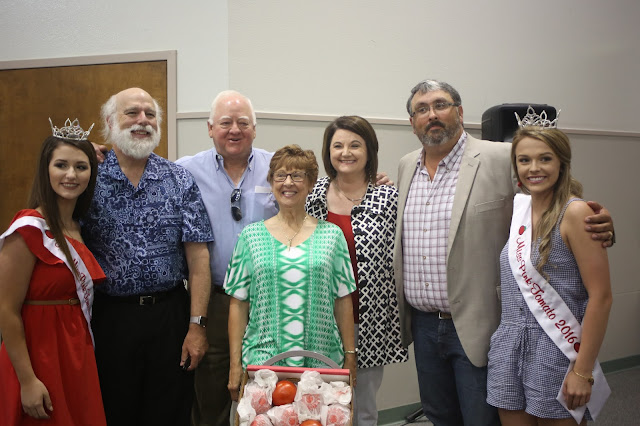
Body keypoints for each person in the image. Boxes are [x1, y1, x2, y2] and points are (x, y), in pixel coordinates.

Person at [392, 79, 615, 426]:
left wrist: (599, 222)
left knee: (481, 419)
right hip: (423, 325)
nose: (432, 114)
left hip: (481, 321)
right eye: (422, 109)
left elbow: (551, 197)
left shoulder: (500, 156)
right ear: (412, 122)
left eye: (440, 105)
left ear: (459, 112)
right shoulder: (406, 166)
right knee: (440, 415)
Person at [82, 88, 213, 426]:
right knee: (113, 411)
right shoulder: (88, 177)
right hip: (110, 318)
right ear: (110, 122)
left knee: (170, 412)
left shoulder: (179, 179)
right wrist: (77, 151)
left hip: (170, 318)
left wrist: (197, 326)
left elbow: (199, 259)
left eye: (150, 114)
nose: (142, 121)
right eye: (132, 113)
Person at [487, 117, 612, 425]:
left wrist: (582, 371)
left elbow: (601, 297)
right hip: (509, 346)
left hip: (557, 349)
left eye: (545, 159)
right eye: (524, 160)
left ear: (561, 163)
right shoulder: (519, 209)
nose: (534, 168)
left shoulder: (575, 213)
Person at [176, 90, 279, 426]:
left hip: (270, 301)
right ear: (210, 128)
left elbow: (321, 193)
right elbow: (143, 174)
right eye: (225, 123)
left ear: (254, 129)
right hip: (215, 301)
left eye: (243, 123)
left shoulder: (278, 168)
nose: (235, 130)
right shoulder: (184, 171)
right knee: (212, 393)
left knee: (271, 394)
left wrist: (369, 180)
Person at [225, 144, 357, 401]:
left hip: (321, 361)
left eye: (297, 175)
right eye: (280, 175)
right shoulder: (251, 237)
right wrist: (234, 365)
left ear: (311, 184)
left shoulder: (332, 236)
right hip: (263, 362)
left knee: (317, 418)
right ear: (271, 182)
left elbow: (343, 301)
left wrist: (350, 356)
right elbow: (238, 305)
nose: (288, 182)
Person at [0, 119, 106, 425]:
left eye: (81, 167)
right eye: (61, 165)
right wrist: (27, 380)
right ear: (46, 170)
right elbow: (6, 310)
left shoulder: (77, 227)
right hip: (38, 354)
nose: (71, 175)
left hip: (74, 351)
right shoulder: (28, 229)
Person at [306, 116, 408, 425]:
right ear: (328, 152)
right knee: (318, 405)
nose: (346, 153)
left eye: (355, 145)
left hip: (370, 320)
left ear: (369, 150)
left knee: (363, 407)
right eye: (337, 145)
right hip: (320, 319)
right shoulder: (312, 196)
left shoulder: (388, 198)